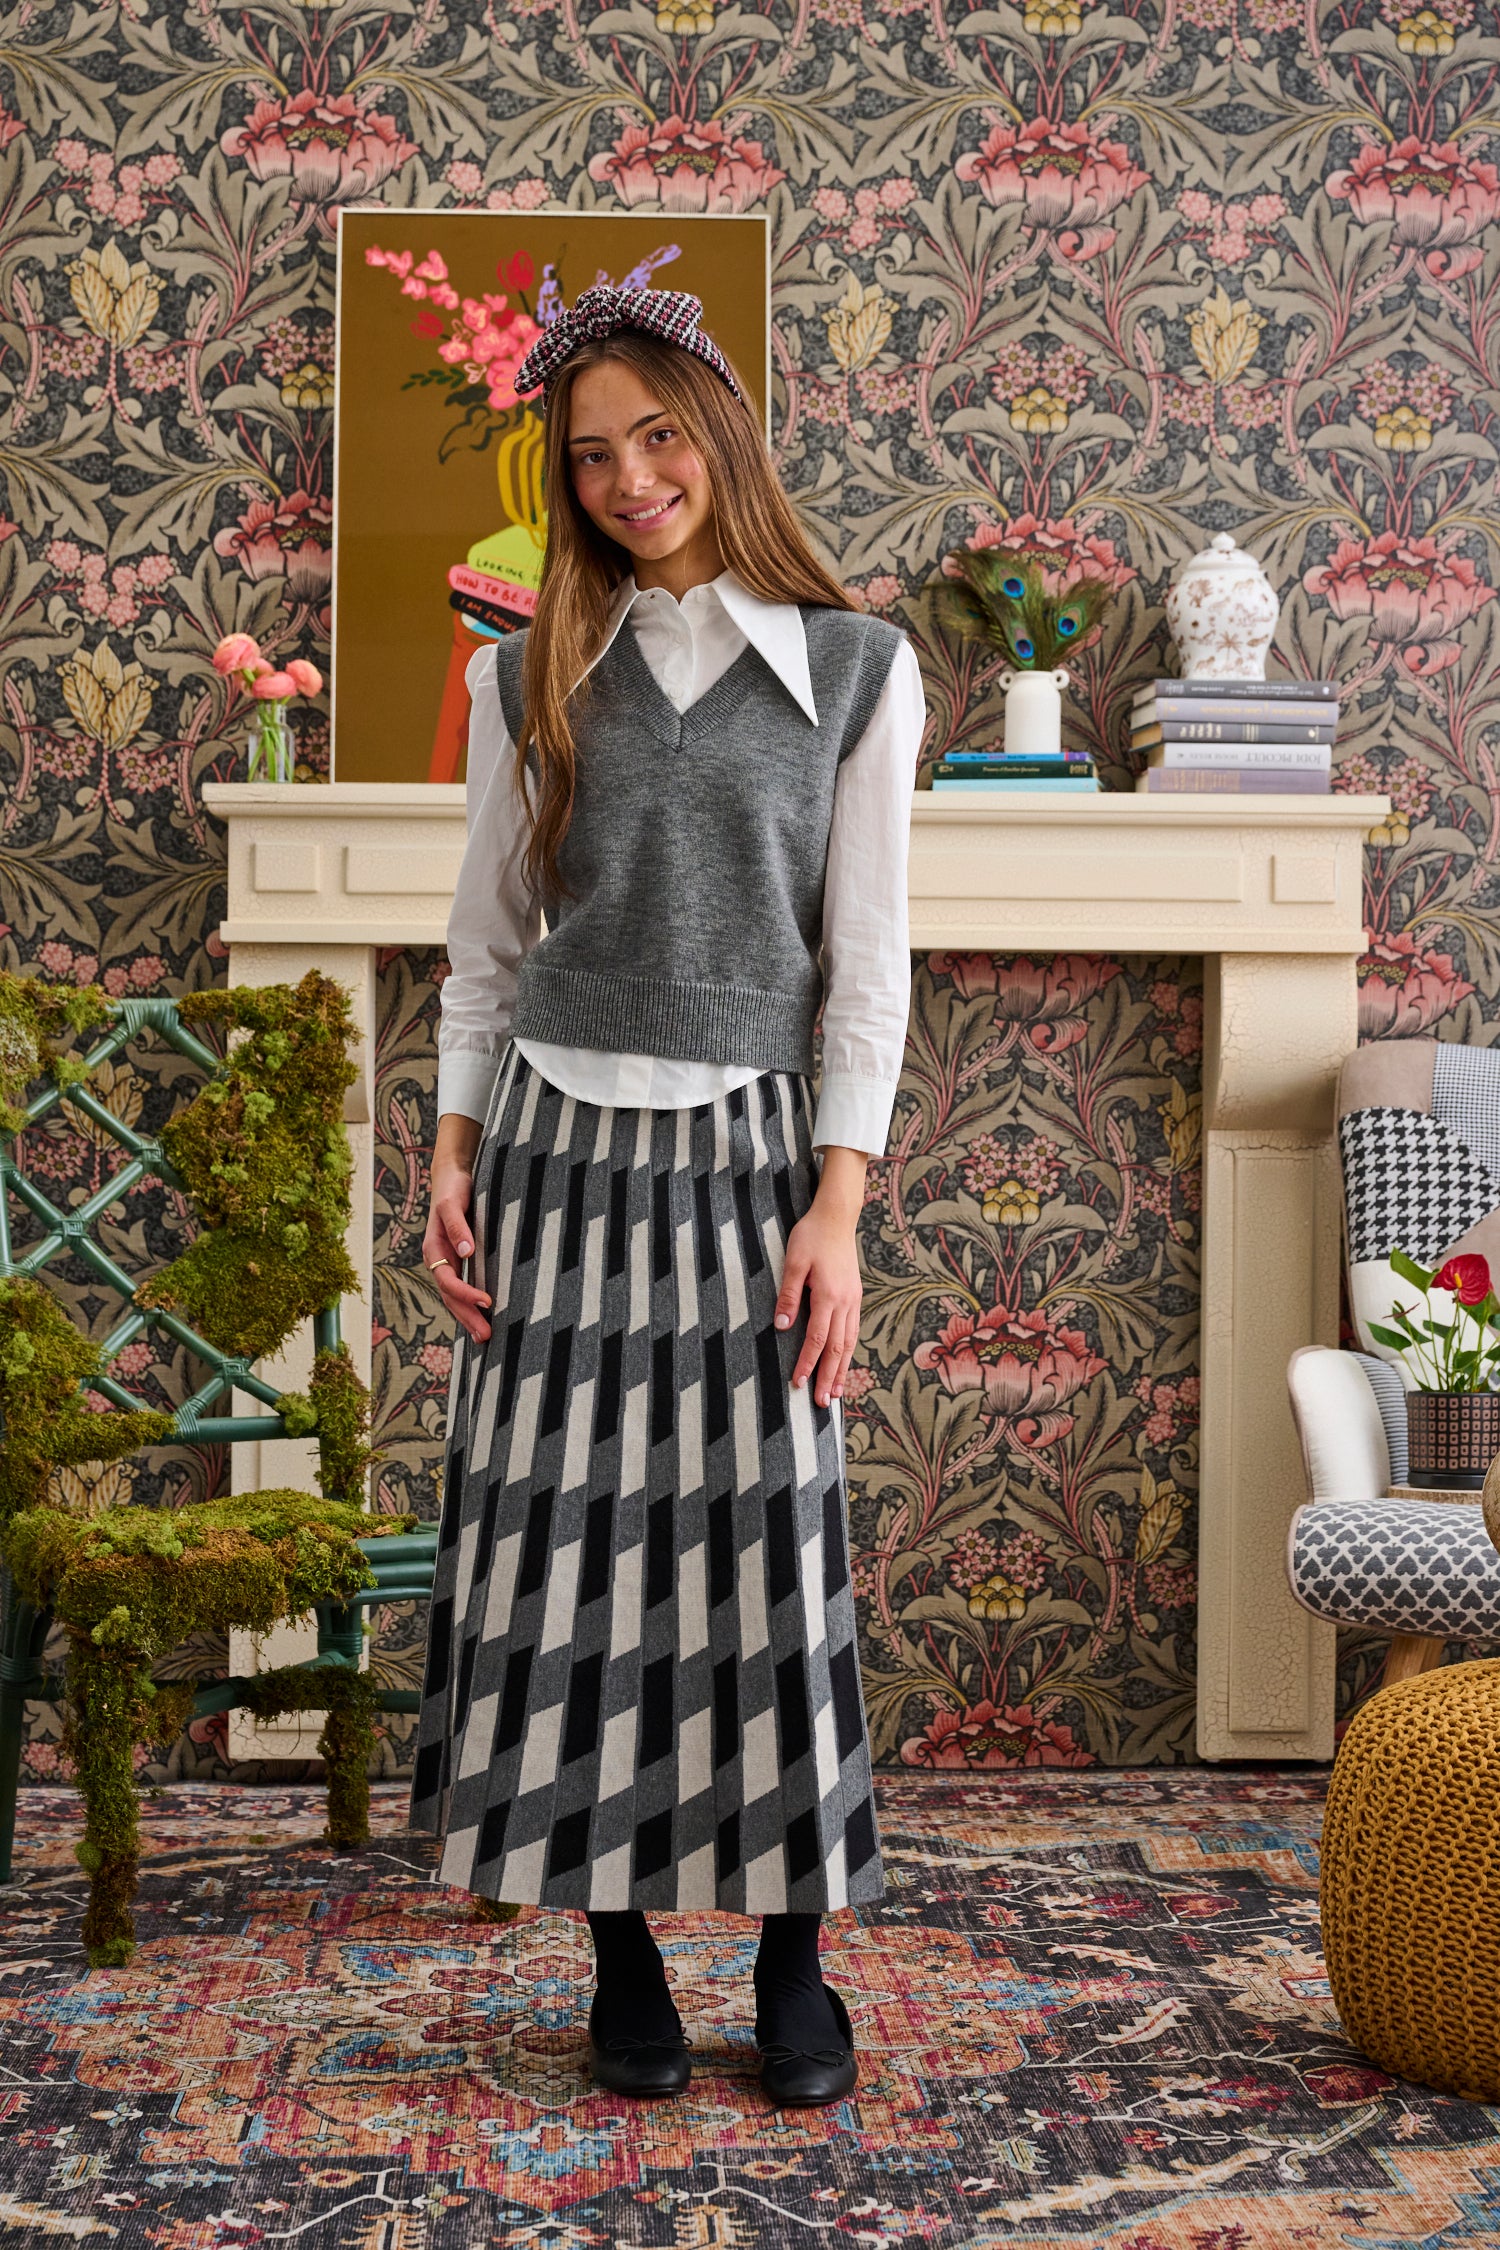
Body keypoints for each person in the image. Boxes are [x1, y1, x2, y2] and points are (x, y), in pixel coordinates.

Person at [409, 283, 925, 2108]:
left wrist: (838, 1207)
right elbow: (487, 951)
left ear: (719, 434)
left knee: (762, 1565)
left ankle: (792, 1960)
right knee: (572, 1568)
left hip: (751, 1167)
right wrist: (450, 1151)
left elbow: (867, 967)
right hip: (554, 1154)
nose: (630, 478)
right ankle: (619, 1952)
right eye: (590, 455)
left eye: (657, 436)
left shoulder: (856, 668)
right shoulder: (524, 672)